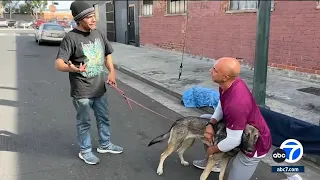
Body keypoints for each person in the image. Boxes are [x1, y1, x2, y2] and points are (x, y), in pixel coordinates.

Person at [55, 1, 123, 165]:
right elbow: (59, 64)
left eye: (94, 16)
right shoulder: (70, 38)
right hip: (82, 91)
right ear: (79, 19)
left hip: (100, 88)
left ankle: (105, 144)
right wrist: (74, 69)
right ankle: (85, 151)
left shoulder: (98, 33)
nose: (94, 20)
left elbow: (107, 54)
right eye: (89, 17)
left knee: (104, 118)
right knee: (84, 122)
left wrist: (112, 73)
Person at [192, 57, 272, 180]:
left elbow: (233, 140)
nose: (210, 71)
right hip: (237, 127)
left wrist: (212, 149)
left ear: (225, 77)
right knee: (204, 119)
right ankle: (216, 163)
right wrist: (211, 123)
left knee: (235, 175)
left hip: (253, 142)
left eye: (215, 70)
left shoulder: (236, 105)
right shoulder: (230, 83)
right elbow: (221, 103)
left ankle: (214, 154)